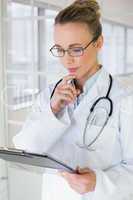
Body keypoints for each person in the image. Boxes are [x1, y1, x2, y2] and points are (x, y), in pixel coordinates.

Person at [13, 0, 133, 199]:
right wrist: (52, 110)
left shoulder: (124, 100)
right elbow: (24, 152)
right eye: (60, 49)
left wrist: (98, 182)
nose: (66, 59)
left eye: (76, 49)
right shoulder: (49, 96)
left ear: (99, 43)